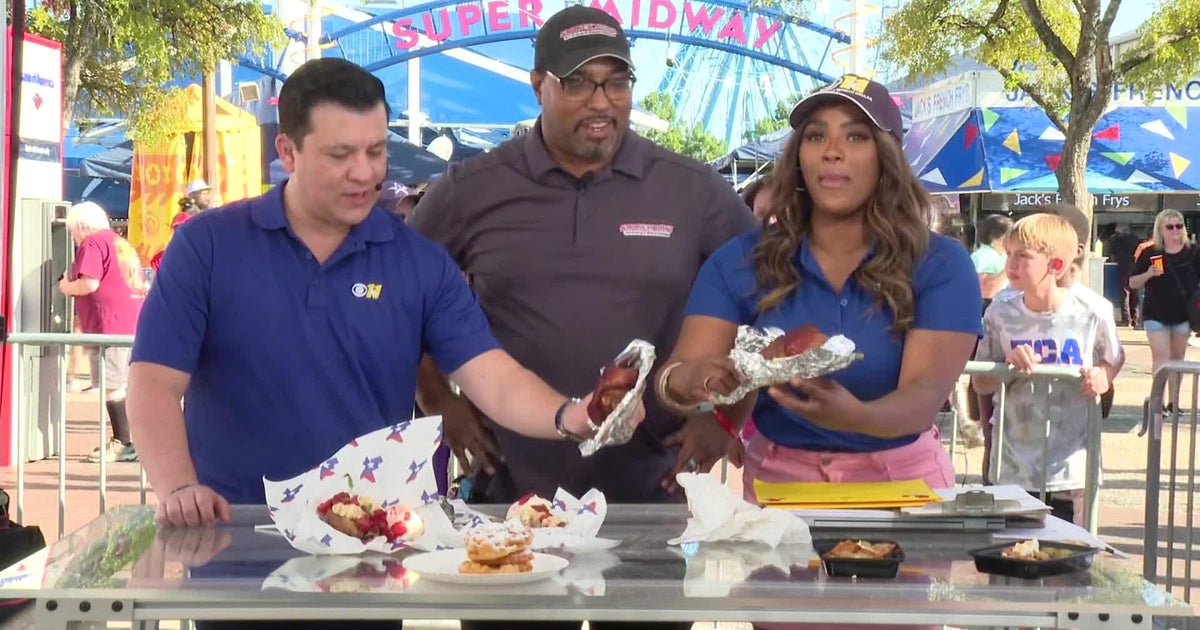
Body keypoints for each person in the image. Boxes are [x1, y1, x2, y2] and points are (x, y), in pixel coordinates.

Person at [408, 4, 755, 526]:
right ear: (537, 85)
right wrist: (439, 401)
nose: (601, 102)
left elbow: (773, 299)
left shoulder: (692, 191)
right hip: (510, 501)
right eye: (578, 84)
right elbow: (398, 303)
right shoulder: (470, 190)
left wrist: (729, 420)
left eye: (617, 83)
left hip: (650, 498)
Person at [657, 75, 982, 500]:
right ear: (798, 157)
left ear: (887, 157)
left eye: (856, 136)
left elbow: (923, 396)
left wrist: (856, 416)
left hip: (905, 493)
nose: (832, 151)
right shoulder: (739, 260)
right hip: (778, 494)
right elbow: (675, 374)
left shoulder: (941, 264)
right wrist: (692, 382)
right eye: (816, 135)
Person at [972, 213, 1122, 525]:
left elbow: (1113, 358)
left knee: (1072, 562)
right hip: (1013, 467)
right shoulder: (1000, 311)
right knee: (1013, 558)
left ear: (1055, 265)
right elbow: (981, 384)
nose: (1010, 265)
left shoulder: (1092, 310)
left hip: (1074, 465)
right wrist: (1005, 364)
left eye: (1022, 256)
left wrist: (1102, 377)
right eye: (1008, 254)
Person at [58, 202, 146, 463]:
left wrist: (65, 286)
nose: (74, 237)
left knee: (113, 386)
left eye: (73, 231)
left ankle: (123, 442)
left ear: (82, 226)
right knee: (124, 385)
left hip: (109, 325)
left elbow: (89, 282)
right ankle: (130, 440)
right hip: (131, 323)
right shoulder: (119, 242)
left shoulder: (93, 243)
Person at [1129, 209, 1198, 410]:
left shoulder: (1193, 252)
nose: (1175, 230)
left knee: (1178, 359)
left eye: (1179, 225)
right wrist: (1149, 274)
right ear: (1161, 229)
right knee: (1161, 358)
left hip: (1183, 314)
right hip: (1155, 313)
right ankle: (1158, 401)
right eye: (1170, 226)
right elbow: (1132, 282)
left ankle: (1174, 403)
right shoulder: (1150, 253)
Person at [1107, 223, 1142, 327]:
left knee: (1125, 293)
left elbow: (1112, 256)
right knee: (1134, 293)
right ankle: (1135, 319)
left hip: (1123, 268)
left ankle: (1126, 320)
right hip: (1135, 267)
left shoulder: (1115, 240)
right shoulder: (1136, 239)